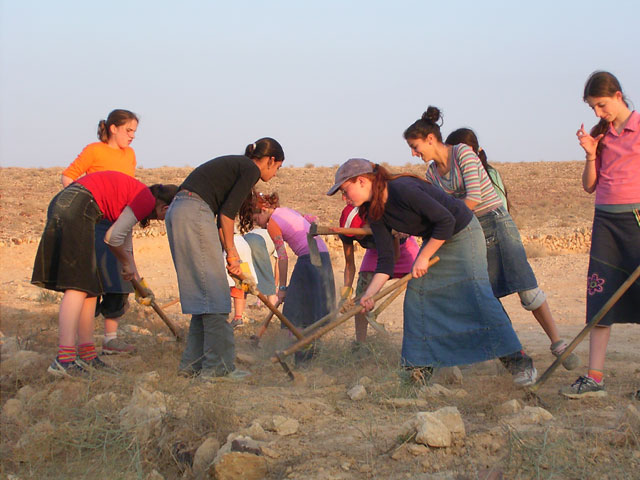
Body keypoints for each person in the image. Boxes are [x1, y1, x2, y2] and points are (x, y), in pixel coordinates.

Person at [327, 158, 536, 385]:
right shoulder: (375, 212)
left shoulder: (401, 189)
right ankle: (418, 370)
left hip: (463, 232)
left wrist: (424, 257)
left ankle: (519, 362)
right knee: (418, 296)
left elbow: (446, 220)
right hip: (436, 240)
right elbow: (386, 261)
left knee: (474, 295)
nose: (344, 198)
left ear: (361, 181)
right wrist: (368, 295)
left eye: (345, 190)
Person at [420, 123, 578, 371]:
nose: (413, 153)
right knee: (486, 297)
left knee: (525, 287)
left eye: (414, 146)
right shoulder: (432, 173)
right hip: (468, 231)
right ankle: (516, 354)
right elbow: (439, 205)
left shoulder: (481, 168)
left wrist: (446, 220)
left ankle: (557, 342)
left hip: (494, 225)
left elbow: (478, 200)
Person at [31, 171, 177, 377]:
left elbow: (124, 246)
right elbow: (112, 238)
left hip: (72, 203)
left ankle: (87, 355)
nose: (163, 221)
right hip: (78, 204)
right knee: (78, 286)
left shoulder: (137, 198)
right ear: (166, 208)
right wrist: (126, 263)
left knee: (91, 287)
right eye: (168, 217)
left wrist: (138, 283)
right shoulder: (144, 199)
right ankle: (63, 360)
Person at [166, 138, 284, 380]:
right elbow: (227, 215)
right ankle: (219, 369)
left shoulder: (237, 165)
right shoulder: (250, 169)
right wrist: (232, 254)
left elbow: (222, 221)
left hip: (180, 211)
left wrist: (231, 259)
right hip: (195, 212)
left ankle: (193, 366)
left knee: (203, 297)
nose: (276, 173)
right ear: (270, 160)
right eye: (278, 167)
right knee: (216, 296)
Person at [561, 71, 640, 398]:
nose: (598, 113)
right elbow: (589, 185)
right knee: (601, 298)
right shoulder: (602, 135)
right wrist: (591, 153)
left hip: (636, 220)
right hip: (605, 221)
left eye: (602, 105)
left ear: (619, 96)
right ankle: (594, 379)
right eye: (593, 107)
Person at [60, 109, 141, 355]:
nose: (132, 136)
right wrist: (82, 204)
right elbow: (67, 176)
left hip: (119, 223)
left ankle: (110, 338)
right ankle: (79, 342)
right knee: (91, 282)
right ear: (113, 128)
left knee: (118, 279)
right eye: (128, 130)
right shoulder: (94, 150)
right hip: (93, 220)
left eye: (135, 132)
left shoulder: (130, 155)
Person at [239, 190, 336, 363]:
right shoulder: (287, 211)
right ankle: (310, 353)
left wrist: (282, 288)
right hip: (322, 257)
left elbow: (282, 257)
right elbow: (309, 220)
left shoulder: (272, 223)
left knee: (294, 310)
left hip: (309, 259)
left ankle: (300, 356)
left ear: (262, 211)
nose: (259, 225)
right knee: (312, 307)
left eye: (256, 220)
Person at [337, 203, 419, 348]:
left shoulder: (386, 221)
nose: (357, 237)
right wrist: (346, 294)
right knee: (361, 294)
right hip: (376, 253)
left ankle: (418, 341)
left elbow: (392, 259)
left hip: (402, 249)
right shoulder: (347, 232)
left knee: (421, 287)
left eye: (360, 232)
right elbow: (349, 264)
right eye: (354, 235)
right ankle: (360, 344)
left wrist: (374, 291)